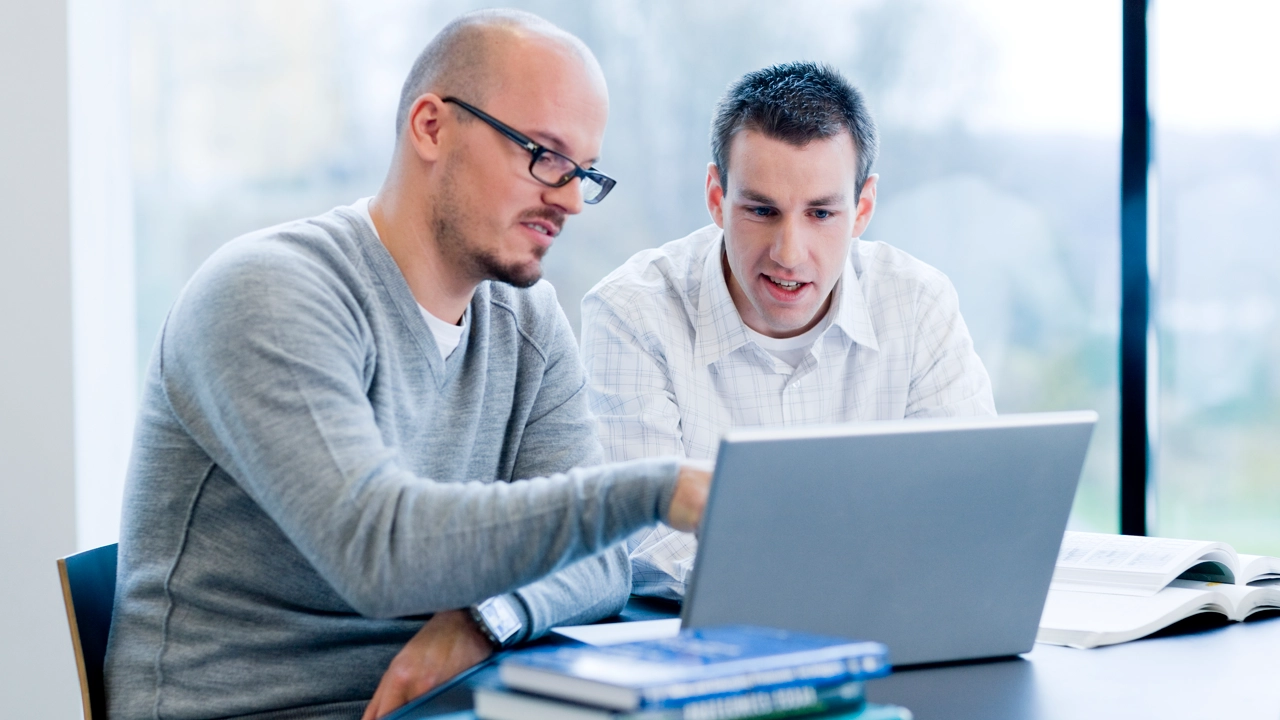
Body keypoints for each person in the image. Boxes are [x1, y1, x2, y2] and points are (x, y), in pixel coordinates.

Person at [104, 10, 711, 720]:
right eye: (544, 155)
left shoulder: (528, 323)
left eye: (585, 172)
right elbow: (379, 550)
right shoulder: (266, 293)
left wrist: (486, 620)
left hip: (451, 704)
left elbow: (600, 563)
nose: (571, 198)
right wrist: (651, 491)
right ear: (431, 126)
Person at [580, 62, 995, 601]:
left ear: (862, 208)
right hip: (699, 637)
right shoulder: (632, 312)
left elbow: (962, 509)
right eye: (761, 210)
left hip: (889, 624)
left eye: (821, 213)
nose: (789, 254)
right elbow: (649, 543)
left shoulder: (917, 304)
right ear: (716, 197)